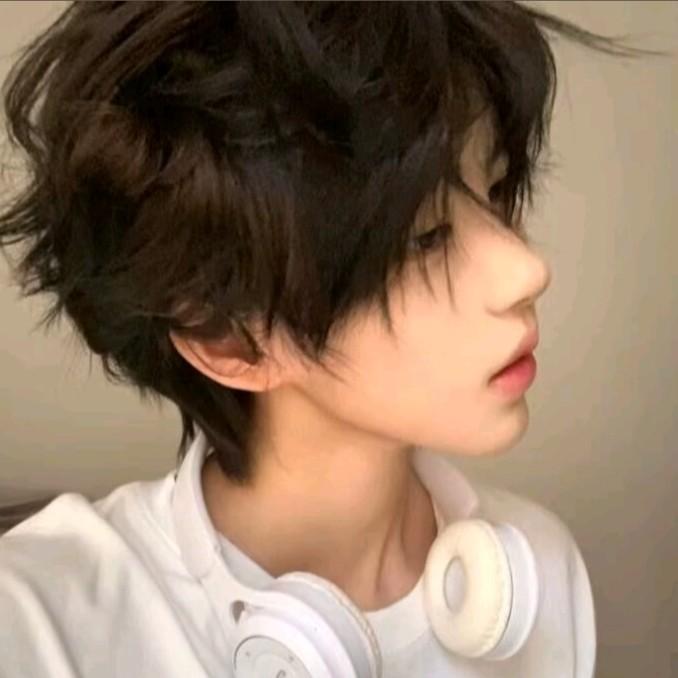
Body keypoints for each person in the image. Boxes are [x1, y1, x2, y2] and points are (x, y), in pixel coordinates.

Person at [0, 2, 659, 677]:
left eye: (493, 193)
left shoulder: (540, 569)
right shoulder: (37, 623)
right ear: (229, 337)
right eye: (425, 238)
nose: (526, 268)